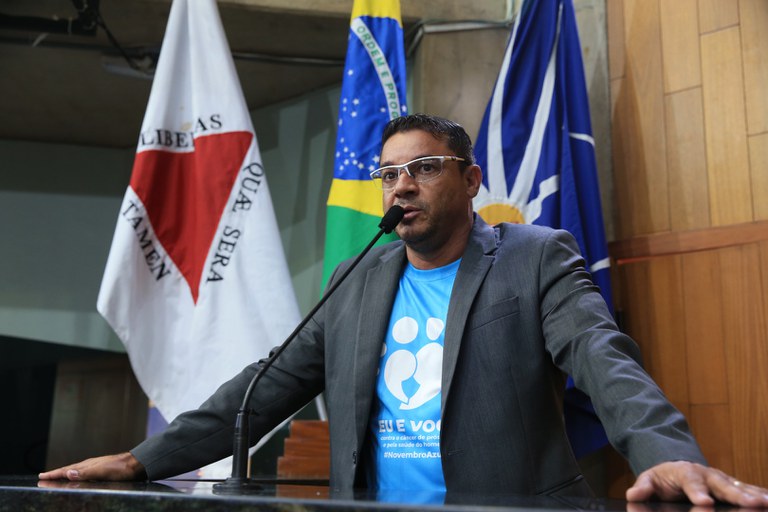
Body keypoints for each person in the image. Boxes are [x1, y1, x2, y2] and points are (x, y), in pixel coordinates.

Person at [40, 114, 768, 507]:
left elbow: (604, 360)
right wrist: (141, 460)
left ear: (471, 179)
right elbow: (262, 388)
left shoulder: (533, 257)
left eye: (423, 168)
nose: (402, 186)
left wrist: (668, 455)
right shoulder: (359, 277)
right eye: (389, 173)